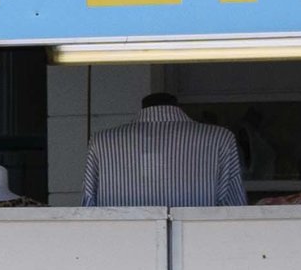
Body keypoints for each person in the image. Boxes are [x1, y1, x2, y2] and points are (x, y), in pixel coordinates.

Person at [82, 88, 249, 208]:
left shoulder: (102, 142)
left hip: (121, 249)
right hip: (198, 249)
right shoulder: (219, 138)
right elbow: (234, 211)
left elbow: (89, 211)